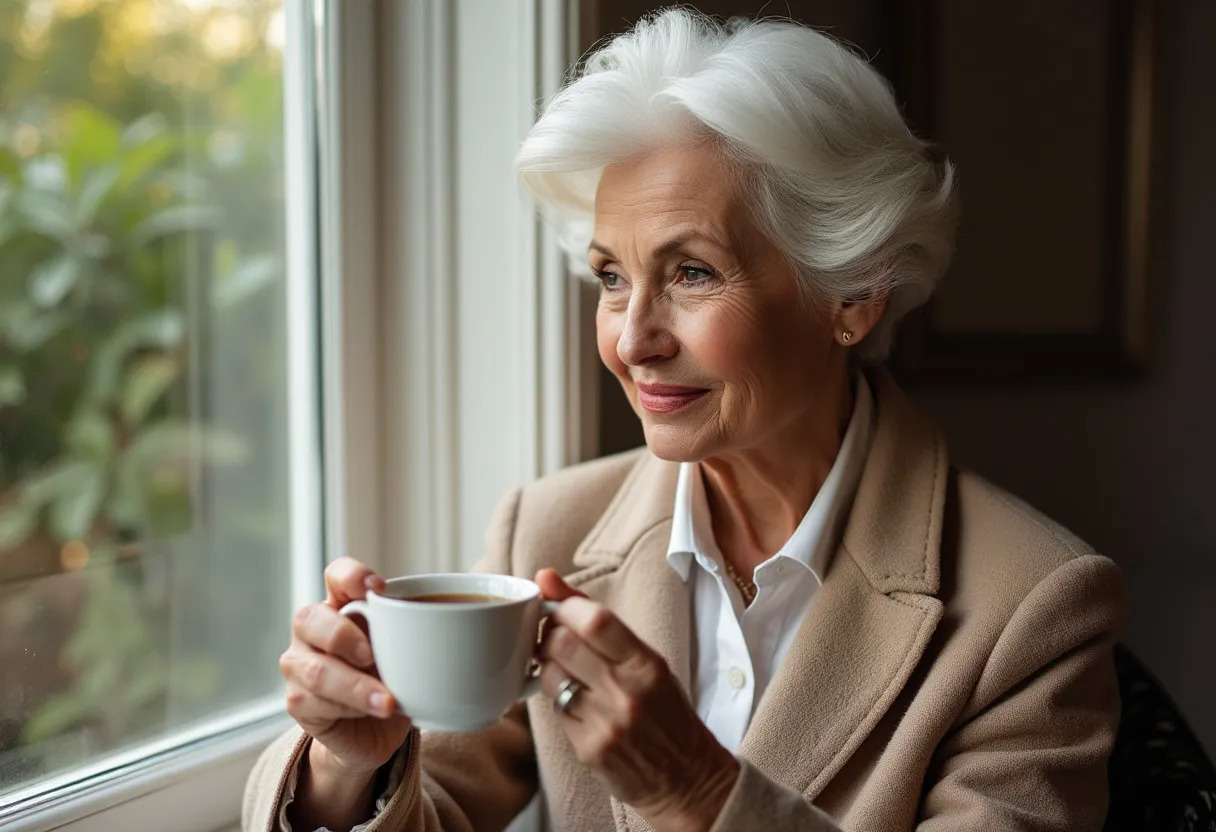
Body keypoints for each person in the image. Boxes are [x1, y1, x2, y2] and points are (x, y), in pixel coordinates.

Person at [244, 9, 1124, 831]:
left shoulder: (1035, 607)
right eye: (612, 277)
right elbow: (432, 801)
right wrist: (346, 768)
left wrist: (697, 792)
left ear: (853, 296)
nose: (632, 341)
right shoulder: (547, 532)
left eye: (693, 273)